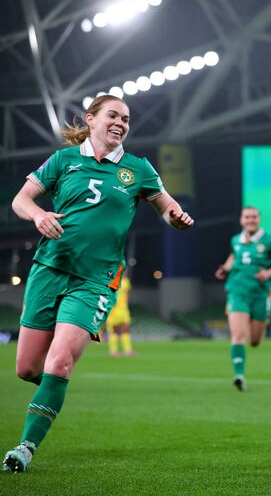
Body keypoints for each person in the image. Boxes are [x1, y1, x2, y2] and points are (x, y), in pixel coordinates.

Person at [3, 95, 193, 473]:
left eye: (126, 118)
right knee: (26, 369)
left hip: (96, 280)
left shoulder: (137, 169)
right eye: (112, 115)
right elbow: (20, 201)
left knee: (58, 362)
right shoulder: (64, 160)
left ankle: (25, 447)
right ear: (91, 120)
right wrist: (39, 215)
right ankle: (54, 390)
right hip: (48, 269)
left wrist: (176, 216)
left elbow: (167, 205)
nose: (121, 123)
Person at [215, 207, 271, 391]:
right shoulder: (236, 240)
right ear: (241, 220)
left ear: (259, 219)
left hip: (260, 293)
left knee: (255, 341)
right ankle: (239, 375)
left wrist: (268, 273)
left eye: (254, 217)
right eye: (247, 217)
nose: (250, 220)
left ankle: (262, 316)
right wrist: (225, 269)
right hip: (237, 291)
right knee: (238, 335)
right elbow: (233, 257)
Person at [106, 274, 134, 357]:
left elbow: (127, 294)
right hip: (113, 309)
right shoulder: (109, 280)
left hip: (123, 309)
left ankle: (128, 350)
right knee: (113, 330)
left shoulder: (126, 281)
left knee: (125, 329)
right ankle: (113, 351)